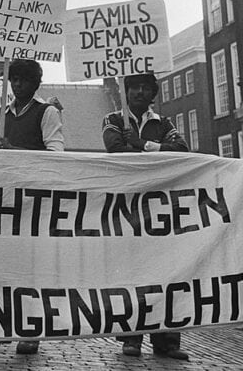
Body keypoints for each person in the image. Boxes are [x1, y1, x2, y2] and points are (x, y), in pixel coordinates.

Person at [103, 72, 190, 361]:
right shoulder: (112, 119)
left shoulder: (163, 123)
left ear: (152, 93)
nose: (139, 93)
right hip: (127, 206)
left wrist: (142, 144)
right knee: (133, 272)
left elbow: (180, 150)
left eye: (145, 88)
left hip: (159, 208)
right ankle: (131, 337)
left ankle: (167, 341)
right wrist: (153, 153)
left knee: (166, 273)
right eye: (134, 88)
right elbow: (115, 149)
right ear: (126, 91)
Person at [0, 59, 63, 355]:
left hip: (33, 201)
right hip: (3, 199)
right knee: (1, 266)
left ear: (35, 84)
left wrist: (14, 151)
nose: (17, 86)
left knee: (31, 269)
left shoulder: (47, 112)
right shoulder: (0, 115)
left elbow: (56, 154)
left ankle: (31, 331)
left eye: (24, 81)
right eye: (14, 80)